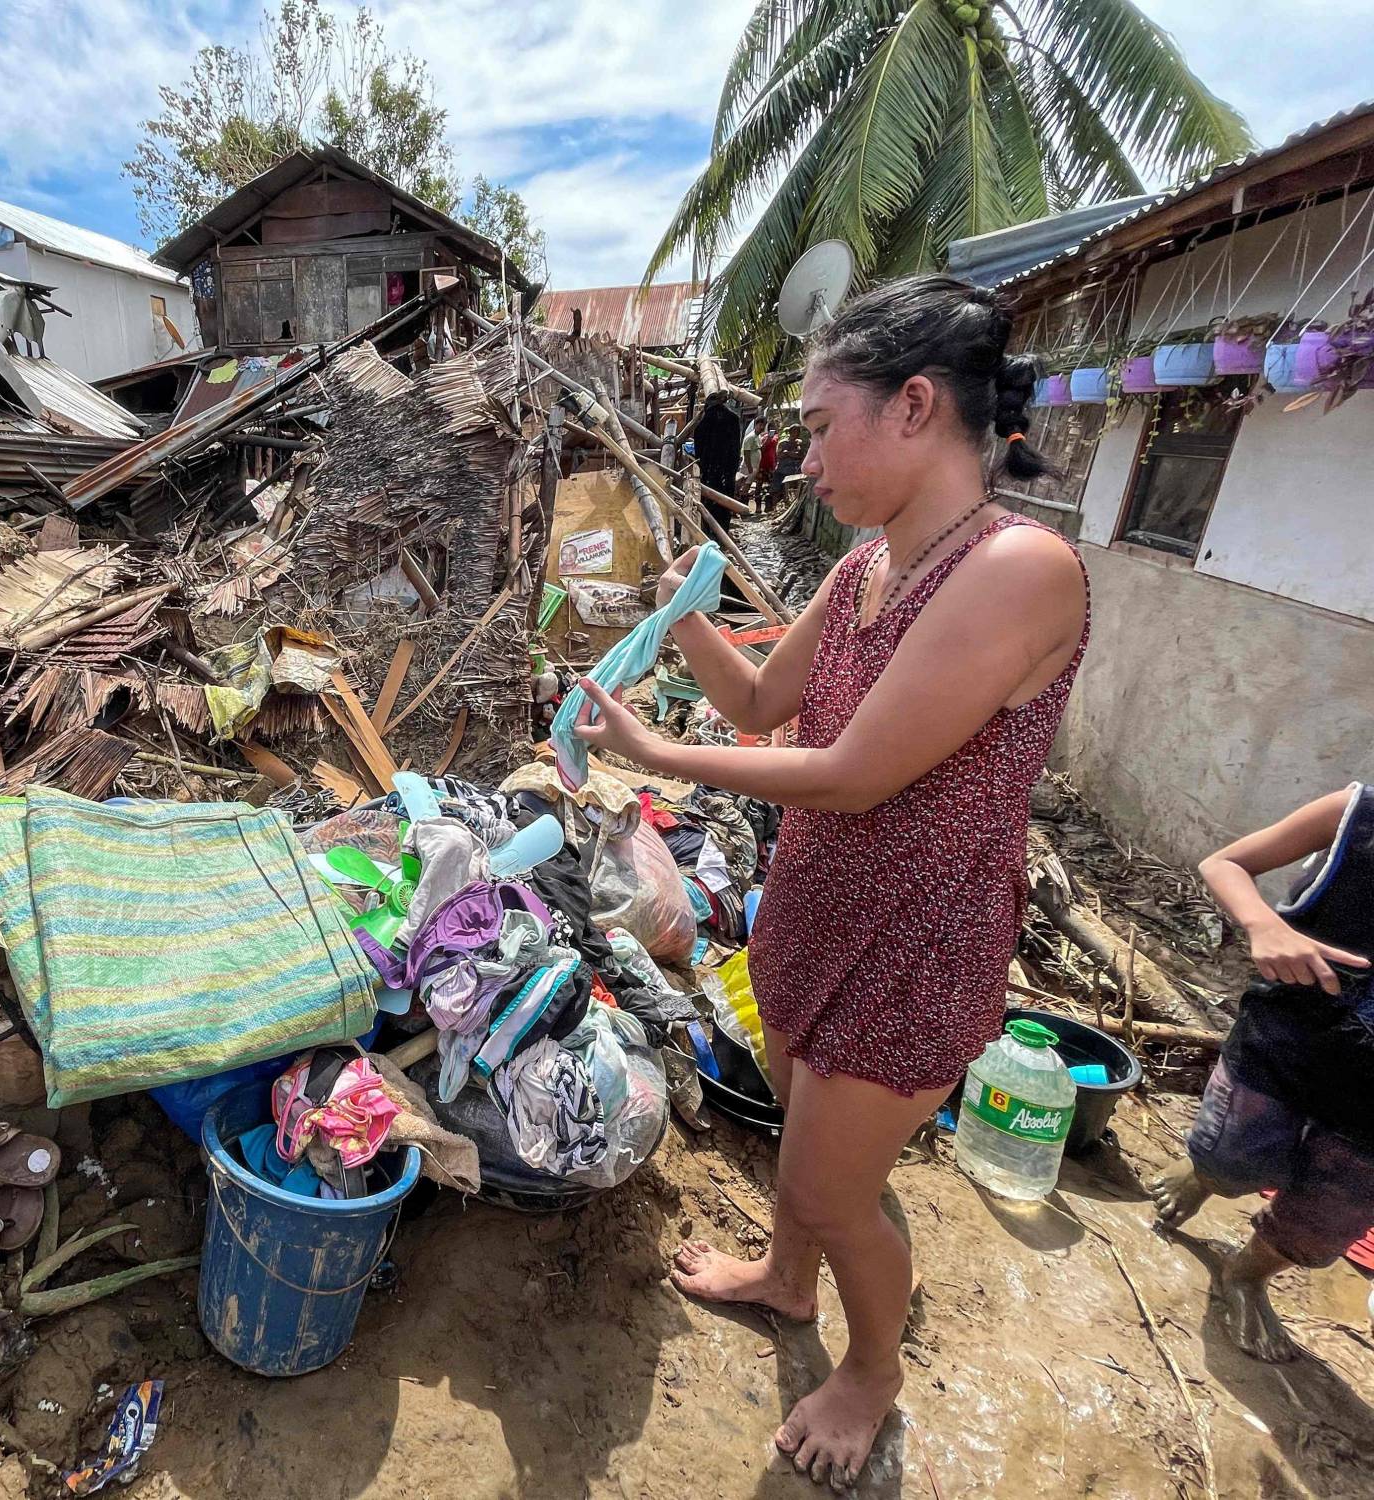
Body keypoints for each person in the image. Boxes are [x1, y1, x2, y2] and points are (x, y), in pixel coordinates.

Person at [570, 274, 1088, 1489]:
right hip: (815, 901)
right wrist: (680, 609)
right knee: (799, 1122)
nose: (796, 457)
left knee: (826, 1182)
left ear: (912, 406)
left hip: (917, 932)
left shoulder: (1019, 569)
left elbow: (851, 773)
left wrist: (647, 753)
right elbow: (759, 704)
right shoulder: (864, 568)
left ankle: (869, 1376)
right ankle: (784, 1281)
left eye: (811, 424)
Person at [1149, 785, 1372, 1362]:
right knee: (1231, 1159)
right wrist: (1263, 925)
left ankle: (1245, 1274)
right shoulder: (1356, 814)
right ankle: (1205, 1175)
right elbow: (1224, 863)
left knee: (1323, 1220)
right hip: (1288, 1039)